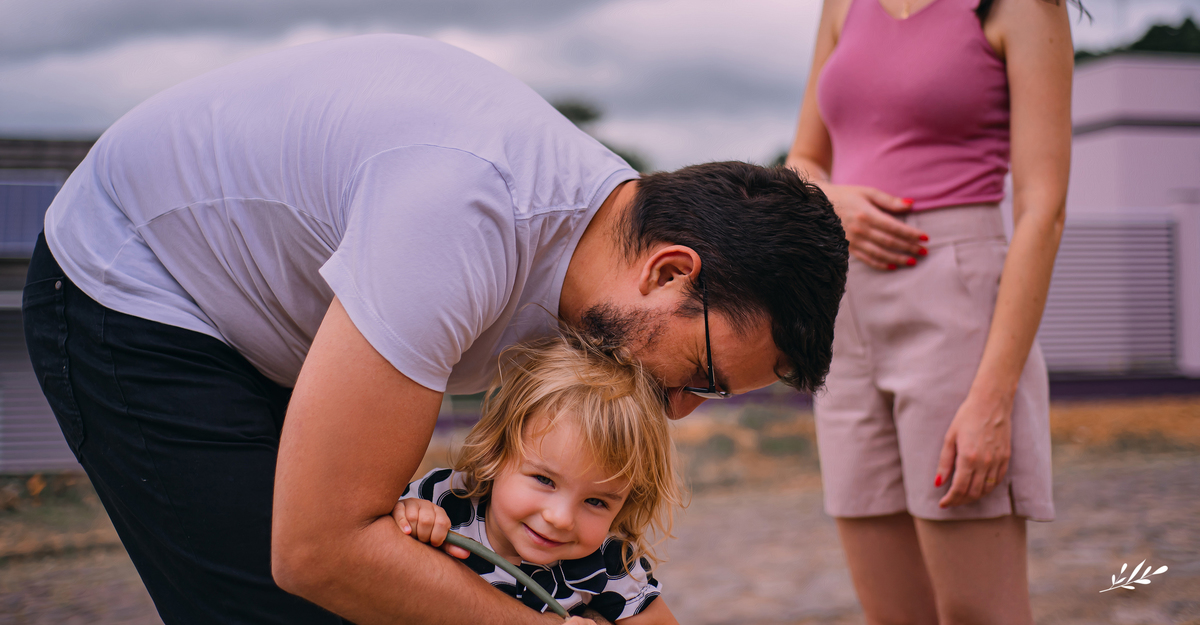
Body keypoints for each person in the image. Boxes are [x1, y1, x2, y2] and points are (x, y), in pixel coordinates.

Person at [23, 33, 848, 625]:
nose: (678, 411)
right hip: (134, 280)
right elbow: (319, 549)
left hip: (260, 316)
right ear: (669, 271)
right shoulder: (464, 217)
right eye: (699, 376)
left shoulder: (603, 242)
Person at [785, 0, 1124, 622]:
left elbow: (1042, 208)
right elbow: (804, 156)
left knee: (980, 614)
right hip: (843, 318)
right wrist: (828, 199)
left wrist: (993, 398)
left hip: (957, 308)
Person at [394, 333, 683, 624]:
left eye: (595, 501)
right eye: (545, 480)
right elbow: (370, 541)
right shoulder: (446, 499)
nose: (561, 518)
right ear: (498, 451)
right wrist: (408, 515)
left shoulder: (609, 564)